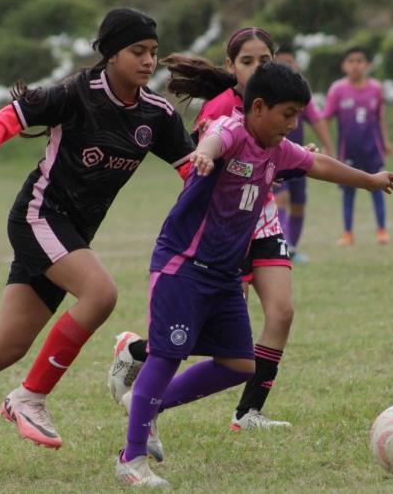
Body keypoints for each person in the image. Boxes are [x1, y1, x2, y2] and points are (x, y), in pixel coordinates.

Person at [0, 8, 210, 477]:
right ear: (110, 54)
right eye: (137, 51)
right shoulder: (74, 94)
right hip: (38, 217)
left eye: (153, 52)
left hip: (71, 234)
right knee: (101, 293)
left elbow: (194, 173)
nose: (149, 61)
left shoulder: (157, 115)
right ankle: (28, 397)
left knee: (3, 346)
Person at [115, 62, 393, 487]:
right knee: (166, 356)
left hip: (225, 274)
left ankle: (147, 403)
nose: (292, 124)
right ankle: (131, 459)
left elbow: (319, 166)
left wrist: (371, 181)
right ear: (259, 108)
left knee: (239, 363)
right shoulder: (233, 130)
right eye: (287, 114)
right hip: (183, 265)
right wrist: (204, 153)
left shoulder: (277, 148)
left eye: (297, 116)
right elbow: (216, 138)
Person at [109, 27, 306, 441]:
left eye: (264, 61)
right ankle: (139, 358)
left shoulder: (281, 100)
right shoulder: (222, 110)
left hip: (263, 218)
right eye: (247, 61)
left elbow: (283, 157)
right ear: (231, 66)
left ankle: (248, 411)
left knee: (281, 313)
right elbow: (209, 160)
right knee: (207, 331)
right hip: (222, 228)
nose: (256, 68)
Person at [322, 46, 393, 245]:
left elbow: (380, 118)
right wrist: (328, 146)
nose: (356, 65)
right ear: (344, 65)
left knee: (379, 187)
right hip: (348, 152)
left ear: (367, 65)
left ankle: (382, 231)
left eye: (360, 61)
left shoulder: (376, 88)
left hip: (372, 150)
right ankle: (348, 234)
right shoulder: (337, 90)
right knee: (348, 191)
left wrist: (386, 141)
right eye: (351, 61)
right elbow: (325, 118)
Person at [273, 46, 333, 263]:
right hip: (276, 158)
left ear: (296, 64)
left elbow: (316, 119)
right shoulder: (270, 93)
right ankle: (280, 247)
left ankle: (293, 248)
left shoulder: (301, 93)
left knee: (298, 204)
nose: (287, 66)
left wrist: (328, 146)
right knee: (281, 199)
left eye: (291, 62)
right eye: (282, 62)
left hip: (300, 158)